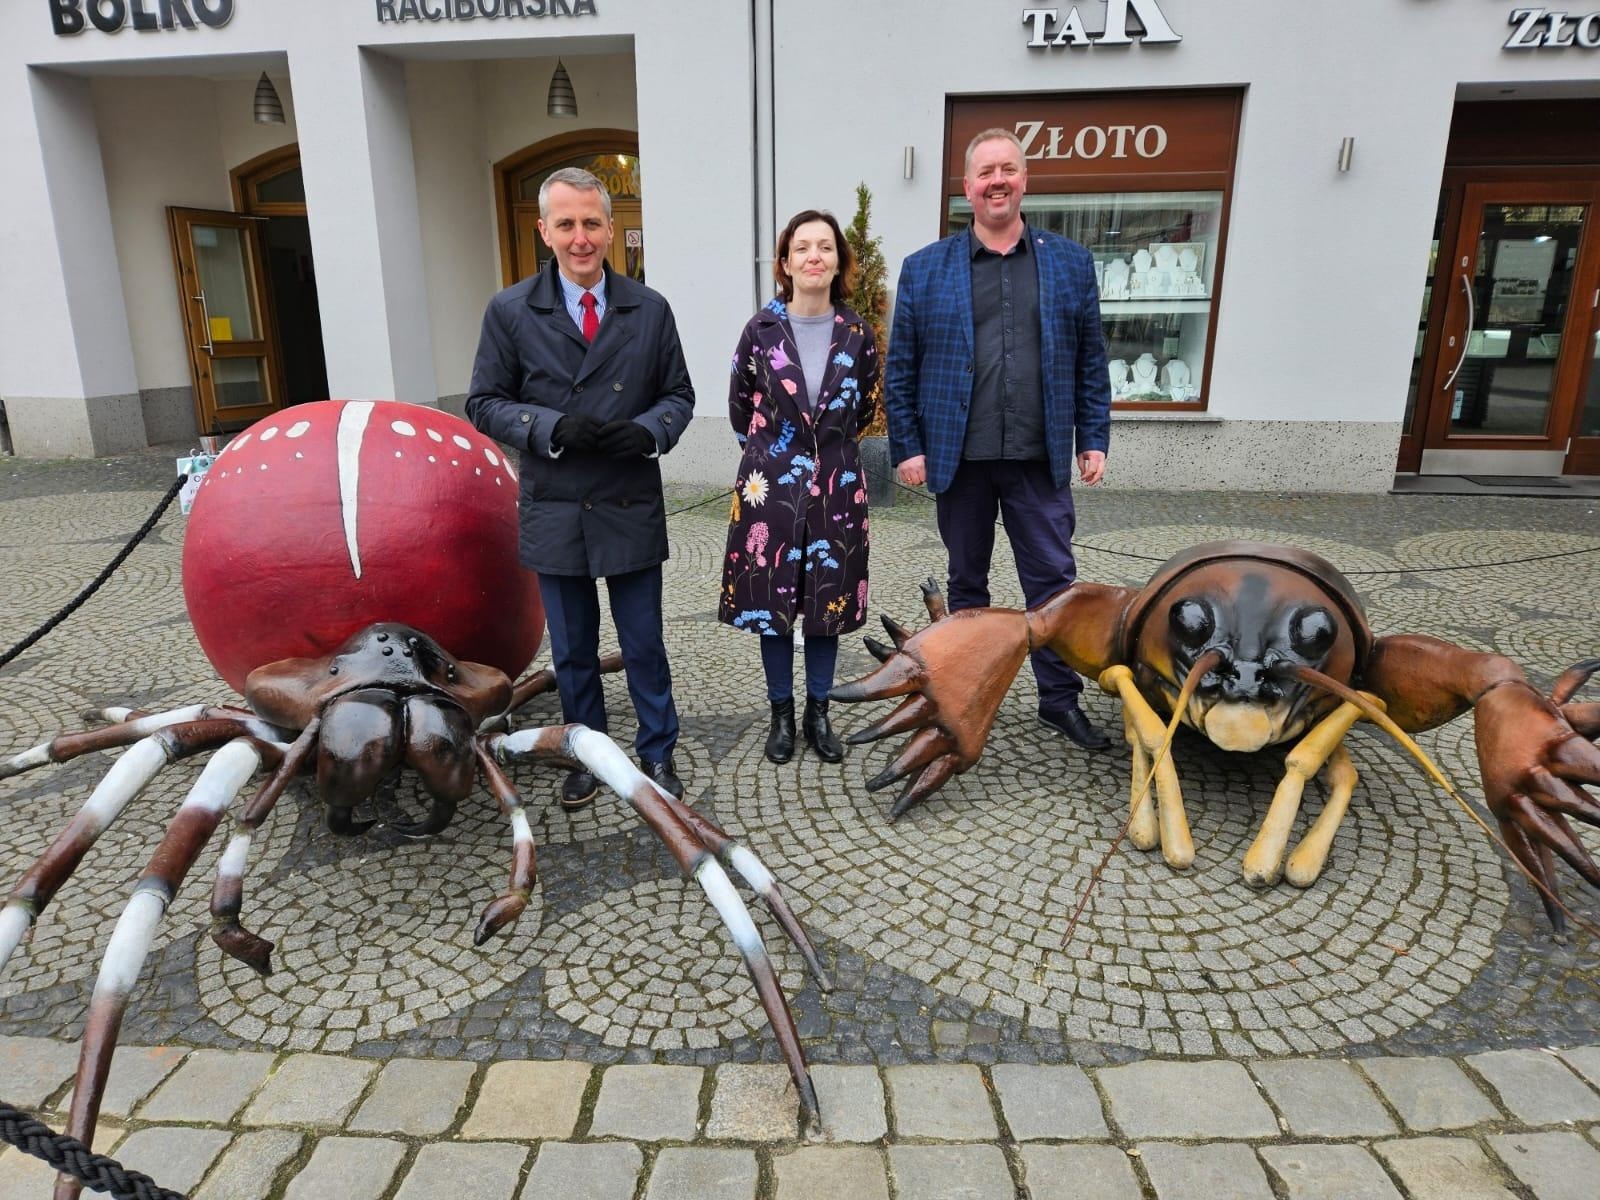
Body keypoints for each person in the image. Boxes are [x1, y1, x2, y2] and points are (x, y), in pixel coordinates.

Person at [467, 167, 694, 805]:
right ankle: (588, 752)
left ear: (611, 228)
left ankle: (657, 751)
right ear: (544, 230)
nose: (580, 237)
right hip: (555, 500)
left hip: (629, 496)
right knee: (572, 650)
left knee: (644, 640)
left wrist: (648, 432)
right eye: (565, 224)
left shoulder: (648, 309)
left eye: (591, 223)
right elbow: (484, 402)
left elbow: (679, 394)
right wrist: (548, 425)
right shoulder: (510, 310)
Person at [884, 128, 1113, 751]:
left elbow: (1091, 359)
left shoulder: (1068, 262)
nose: (997, 181)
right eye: (986, 172)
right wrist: (907, 445)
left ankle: (1058, 702)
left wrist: (1093, 436)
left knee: (1055, 587)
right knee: (968, 588)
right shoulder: (926, 269)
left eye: (1008, 169)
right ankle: (966, 691)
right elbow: (901, 367)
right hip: (962, 458)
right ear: (968, 187)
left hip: (1039, 458)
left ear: (1024, 179)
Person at [719, 210, 880, 763]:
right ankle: (781, 714)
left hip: (837, 488)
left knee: (826, 603)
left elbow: (866, 408)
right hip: (771, 491)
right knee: (773, 605)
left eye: (826, 247)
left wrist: (822, 453)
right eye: (803, 248)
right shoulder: (760, 332)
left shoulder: (857, 334)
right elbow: (741, 409)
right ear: (785, 262)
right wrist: (777, 455)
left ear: (839, 261)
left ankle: (819, 712)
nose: (815, 256)